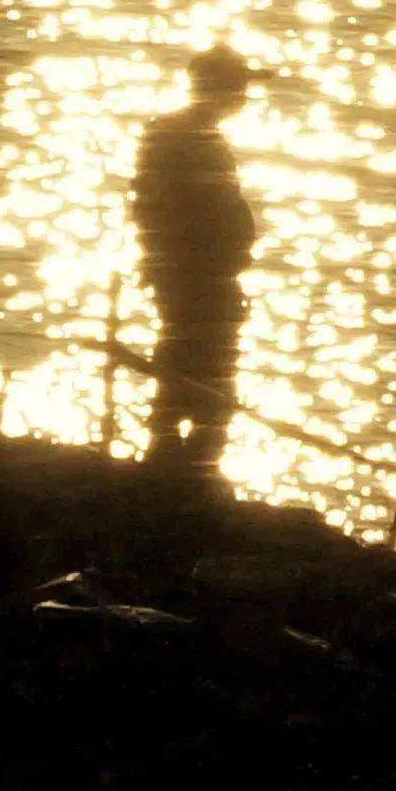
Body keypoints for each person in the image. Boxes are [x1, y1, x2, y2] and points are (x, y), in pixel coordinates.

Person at [131, 46, 258, 473]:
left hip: (193, 274)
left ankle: (175, 457)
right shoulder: (186, 137)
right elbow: (171, 209)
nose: (243, 96)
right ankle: (188, 467)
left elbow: (147, 206)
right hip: (198, 277)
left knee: (187, 358)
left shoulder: (175, 133)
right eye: (239, 86)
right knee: (207, 366)